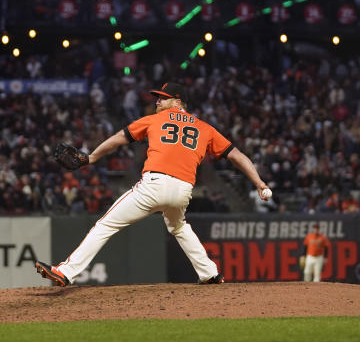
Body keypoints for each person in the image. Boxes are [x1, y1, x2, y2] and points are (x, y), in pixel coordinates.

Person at [34, 81, 271, 286]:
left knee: (105, 225)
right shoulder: (205, 128)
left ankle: (65, 272)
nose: (157, 101)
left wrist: (92, 156)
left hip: (154, 185)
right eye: (157, 98)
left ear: (178, 101)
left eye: (163, 98)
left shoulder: (154, 120)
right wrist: (259, 182)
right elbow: (237, 155)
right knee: (178, 226)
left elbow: (119, 138)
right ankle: (209, 273)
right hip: (183, 191)